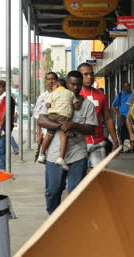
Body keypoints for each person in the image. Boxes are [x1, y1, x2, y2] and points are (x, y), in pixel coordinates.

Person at [38, 71, 98, 214]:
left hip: (77, 154)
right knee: (52, 192)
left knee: (76, 194)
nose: (75, 87)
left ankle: (71, 224)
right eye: (72, 84)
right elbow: (41, 120)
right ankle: (54, 220)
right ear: (66, 84)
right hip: (54, 154)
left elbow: (92, 129)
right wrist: (61, 126)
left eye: (78, 84)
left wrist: (74, 125)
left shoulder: (87, 105)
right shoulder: (54, 97)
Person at [77, 63, 119, 167]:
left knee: (100, 176)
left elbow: (108, 118)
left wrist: (115, 140)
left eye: (91, 74)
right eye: (85, 74)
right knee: (80, 179)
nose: (89, 77)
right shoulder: (73, 95)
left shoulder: (101, 95)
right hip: (78, 143)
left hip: (98, 142)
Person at [37, 79, 80, 170]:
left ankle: (42, 154)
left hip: (52, 117)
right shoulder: (70, 93)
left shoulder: (52, 93)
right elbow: (76, 106)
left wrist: (53, 105)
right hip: (64, 117)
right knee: (63, 137)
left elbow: (48, 105)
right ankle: (61, 158)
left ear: (57, 86)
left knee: (48, 136)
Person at [0, 80, 15, 170]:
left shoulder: (7, 98)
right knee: (1, 152)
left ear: (5, 88)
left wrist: (0, 128)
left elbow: (5, 113)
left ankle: (0, 171)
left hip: (2, 128)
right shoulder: (2, 97)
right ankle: (3, 171)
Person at [34, 72, 58, 145]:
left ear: (57, 80)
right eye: (48, 79)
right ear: (46, 81)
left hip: (58, 131)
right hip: (45, 132)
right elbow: (38, 117)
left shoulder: (61, 94)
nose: (51, 81)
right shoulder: (42, 97)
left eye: (53, 79)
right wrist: (38, 134)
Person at [112, 81, 134, 152]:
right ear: (123, 87)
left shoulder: (132, 94)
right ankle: (121, 147)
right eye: (127, 86)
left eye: (129, 86)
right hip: (122, 116)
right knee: (121, 132)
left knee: (131, 131)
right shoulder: (120, 95)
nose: (128, 87)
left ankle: (132, 147)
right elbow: (113, 106)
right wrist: (118, 114)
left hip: (131, 116)